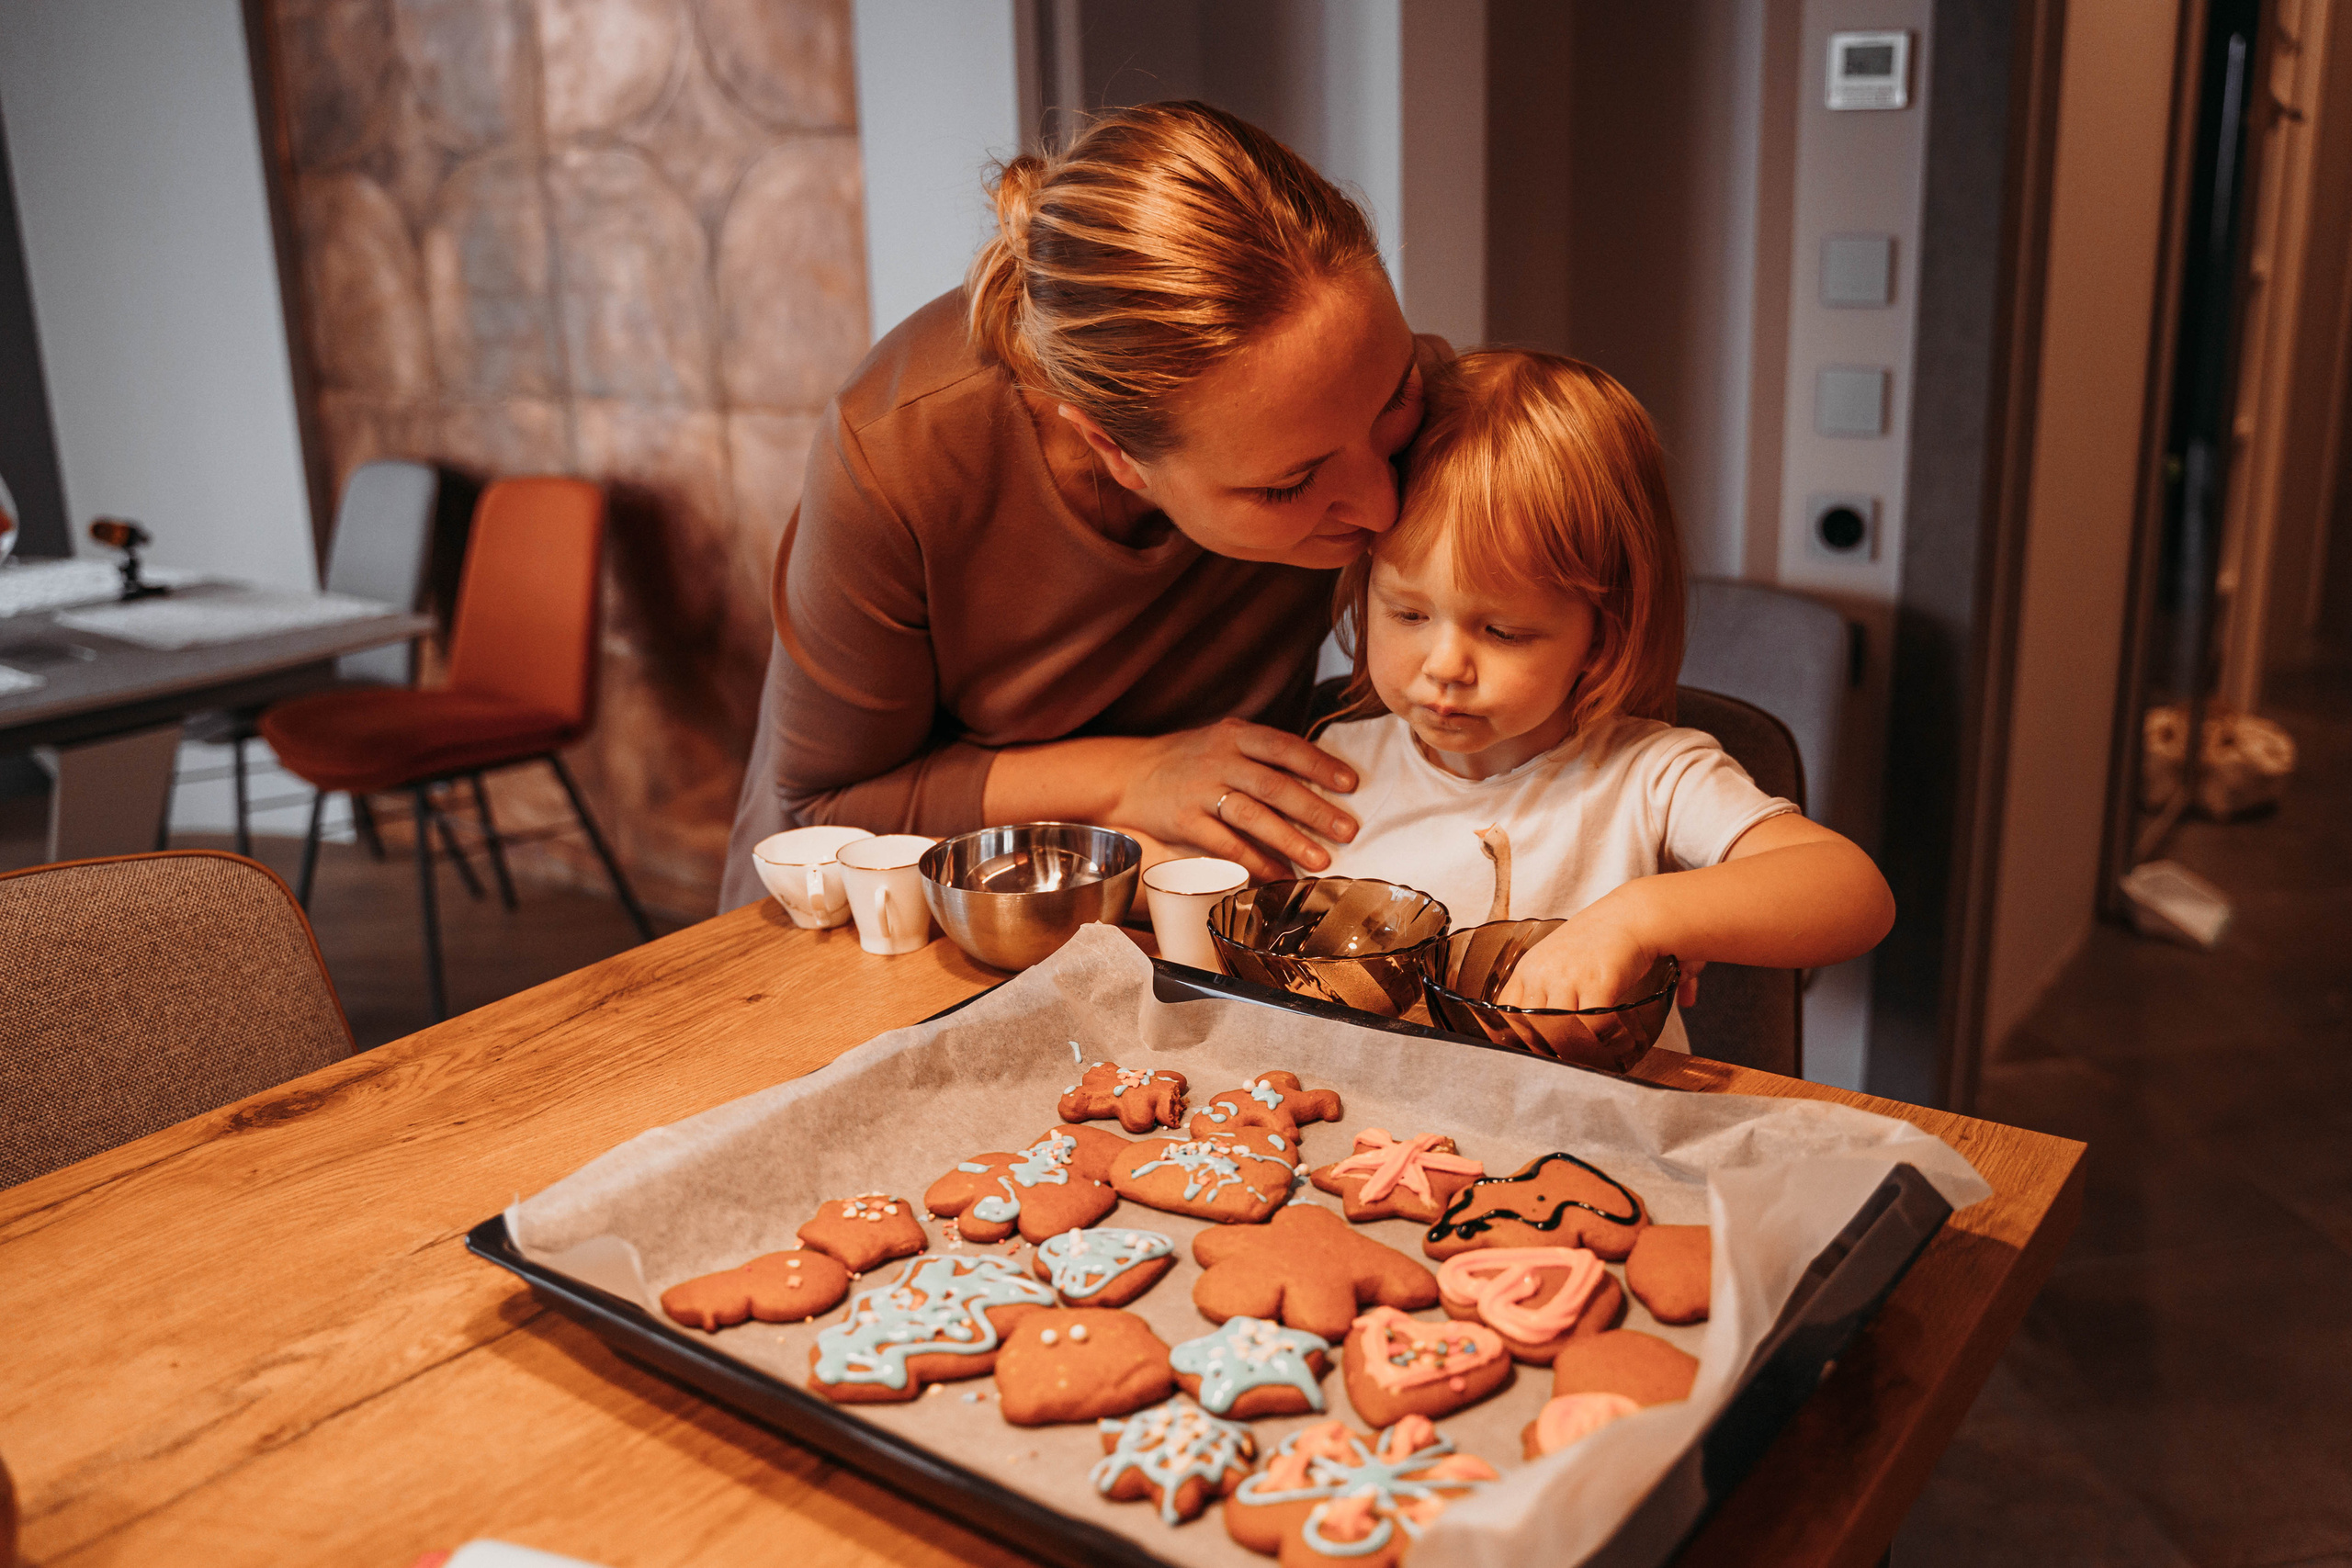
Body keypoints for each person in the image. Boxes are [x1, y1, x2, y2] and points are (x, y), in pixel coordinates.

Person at [719, 101, 1451, 910]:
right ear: (1113, 450)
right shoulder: (899, 452)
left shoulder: (1378, 391)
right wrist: (1133, 778)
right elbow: (826, 804)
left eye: (1394, 403)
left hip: (1184, 908)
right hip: (882, 925)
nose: (1383, 507)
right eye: (1288, 485)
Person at [1307, 350, 1894, 1036]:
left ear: (1602, 633)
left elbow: (1854, 893)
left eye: (1502, 631)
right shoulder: (1333, 765)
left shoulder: (1652, 779)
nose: (1445, 665)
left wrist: (1643, 917)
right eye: (1407, 614)